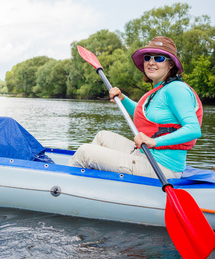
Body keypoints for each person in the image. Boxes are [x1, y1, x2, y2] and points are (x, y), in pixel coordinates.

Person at [69, 36, 203, 179]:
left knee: (85, 152)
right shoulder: (160, 89)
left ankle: (67, 186)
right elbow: (143, 115)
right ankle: (94, 182)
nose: (151, 62)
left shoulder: (176, 89)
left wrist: (154, 141)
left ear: (170, 65)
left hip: (162, 168)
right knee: (103, 137)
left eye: (158, 58)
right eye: (147, 58)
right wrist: (123, 99)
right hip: (147, 155)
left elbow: (193, 129)